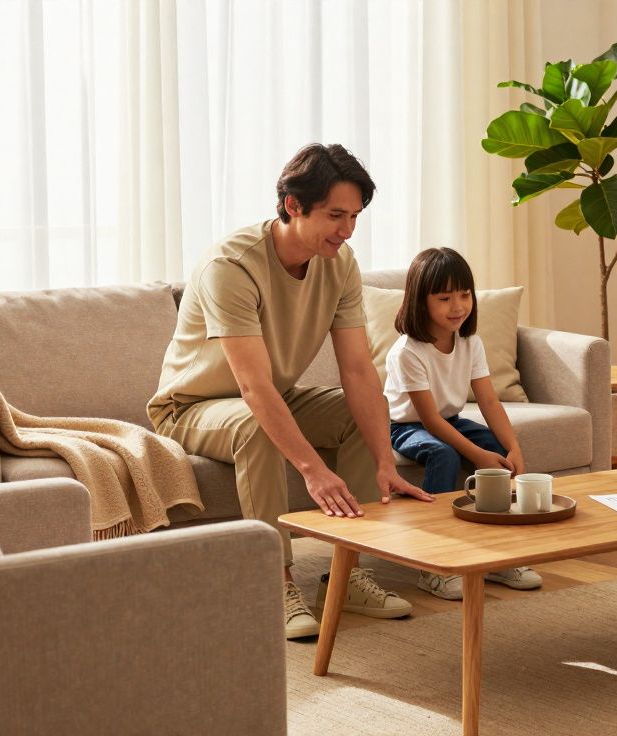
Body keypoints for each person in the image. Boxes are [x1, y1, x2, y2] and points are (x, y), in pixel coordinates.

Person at [147, 143, 434, 640]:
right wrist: (313, 470)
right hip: (190, 406)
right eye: (335, 215)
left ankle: (348, 573)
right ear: (292, 205)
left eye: (355, 216)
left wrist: (385, 459)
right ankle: (274, 583)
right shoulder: (231, 265)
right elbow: (252, 386)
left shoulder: (339, 263)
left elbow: (359, 371)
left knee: (359, 411)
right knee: (256, 424)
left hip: (271, 396)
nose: (346, 230)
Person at [383, 247, 542, 600]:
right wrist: (477, 455)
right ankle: (433, 564)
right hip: (405, 426)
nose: (458, 306)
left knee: (497, 449)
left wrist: (512, 448)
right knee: (445, 455)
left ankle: (495, 555)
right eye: (444, 298)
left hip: (450, 418)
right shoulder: (408, 350)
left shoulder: (470, 341)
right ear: (420, 301)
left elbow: (487, 400)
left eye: (464, 295)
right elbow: (428, 420)